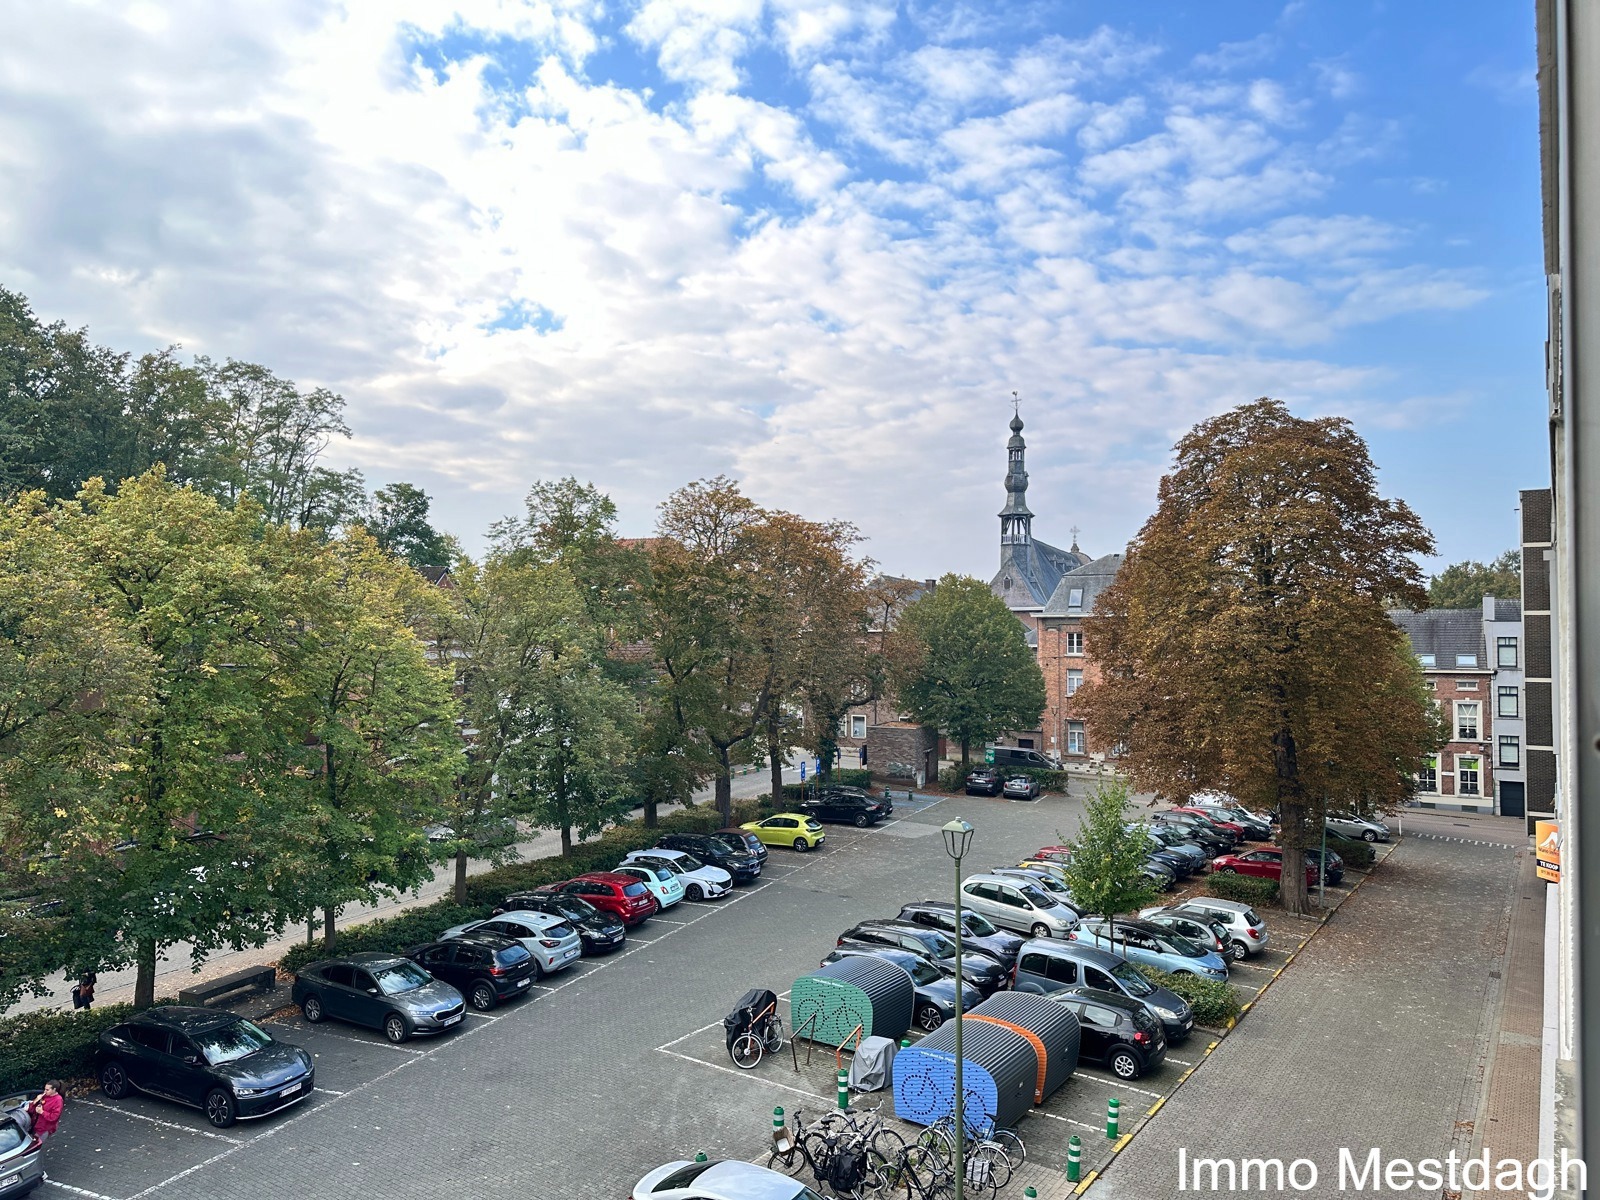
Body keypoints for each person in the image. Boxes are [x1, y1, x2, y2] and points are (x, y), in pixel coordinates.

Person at [27, 1082, 62, 1147]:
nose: (45, 1091)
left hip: (44, 1129)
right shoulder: (44, 1096)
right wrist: (36, 1100)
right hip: (34, 1125)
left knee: (34, 1145)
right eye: (45, 1089)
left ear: (54, 1089)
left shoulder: (58, 1100)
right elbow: (30, 1109)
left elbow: (54, 1117)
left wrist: (42, 1112)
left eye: (47, 1090)